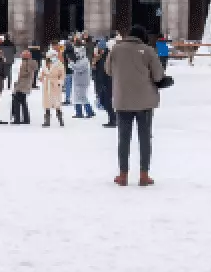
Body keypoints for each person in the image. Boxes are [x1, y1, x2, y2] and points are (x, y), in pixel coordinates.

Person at [104, 26, 168, 187]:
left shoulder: (116, 50)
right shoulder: (147, 51)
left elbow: (108, 70)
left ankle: (123, 175)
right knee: (145, 138)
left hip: (123, 100)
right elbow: (159, 74)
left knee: (123, 139)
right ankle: (144, 174)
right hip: (145, 102)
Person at [39, 41, 67, 127]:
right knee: (47, 103)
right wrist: (41, 77)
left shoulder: (59, 64)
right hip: (47, 85)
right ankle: (47, 121)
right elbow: (43, 72)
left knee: (56, 102)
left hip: (55, 85)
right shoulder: (45, 64)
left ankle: (60, 120)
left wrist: (59, 82)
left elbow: (63, 74)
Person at [10, 44, 36, 125]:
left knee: (17, 101)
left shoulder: (26, 63)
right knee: (24, 102)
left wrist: (17, 84)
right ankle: (26, 119)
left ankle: (17, 119)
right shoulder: (32, 63)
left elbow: (24, 74)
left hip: (22, 85)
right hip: (26, 85)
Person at [69, 41, 95, 118]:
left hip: (82, 82)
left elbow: (78, 68)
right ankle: (79, 112)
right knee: (76, 97)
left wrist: (71, 64)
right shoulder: (80, 60)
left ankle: (90, 112)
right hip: (78, 81)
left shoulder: (85, 60)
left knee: (83, 97)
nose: (76, 54)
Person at [93, 39, 115, 127]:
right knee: (103, 101)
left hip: (107, 82)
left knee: (106, 101)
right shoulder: (100, 57)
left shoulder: (107, 57)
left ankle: (113, 119)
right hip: (102, 82)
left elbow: (105, 71)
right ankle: (113, 117)